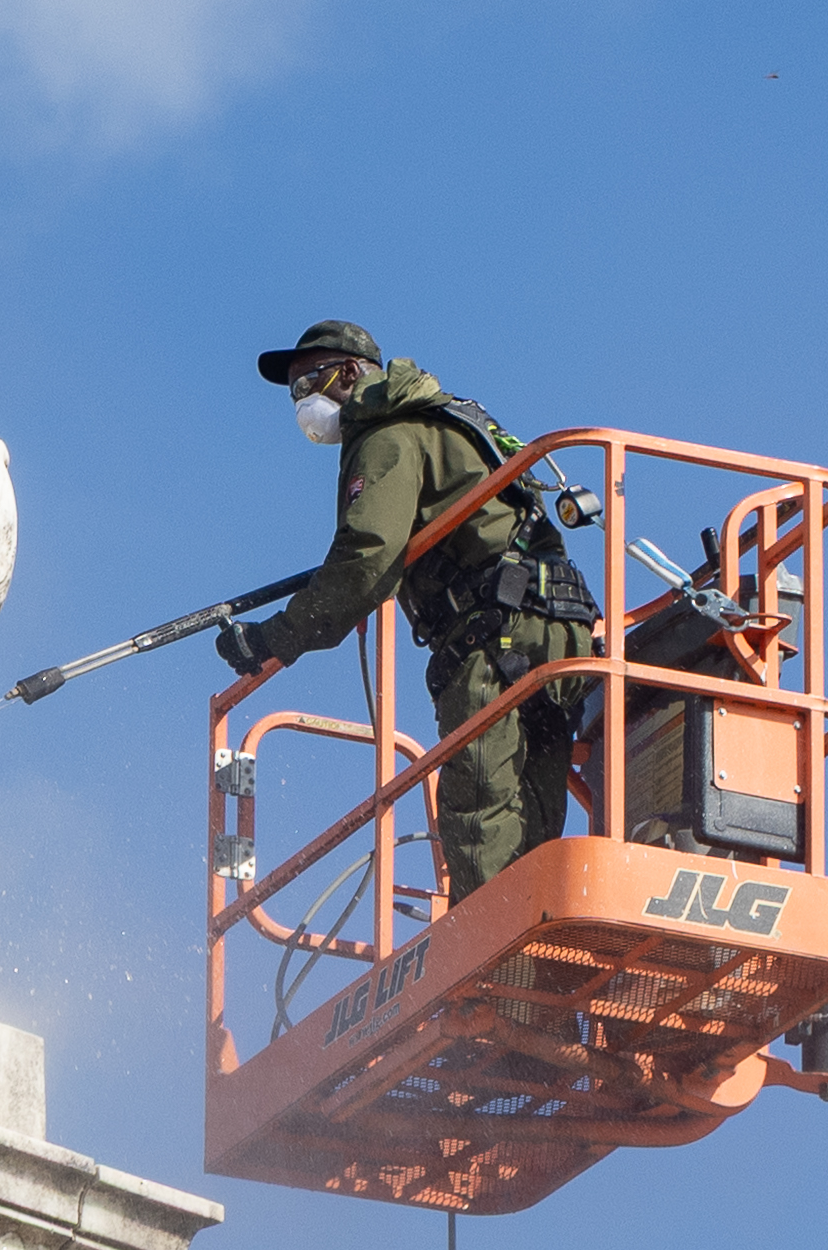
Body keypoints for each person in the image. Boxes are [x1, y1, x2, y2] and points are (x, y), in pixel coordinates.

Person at [217, 320, 599, 893]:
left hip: (494, 632)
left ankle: (495, 972)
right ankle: (537, 949)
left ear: (350, 373)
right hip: (555, 618)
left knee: (479, 809)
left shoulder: (385, 431)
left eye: (308, 383)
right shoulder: (443, 416)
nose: (302, 403)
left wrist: (276, 637)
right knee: (531, 811)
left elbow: (366, 559)